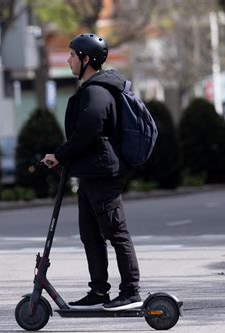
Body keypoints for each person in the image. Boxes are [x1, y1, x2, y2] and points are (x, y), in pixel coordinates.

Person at [41, 33, 141, 311]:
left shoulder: (97, 92)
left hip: (103, 172)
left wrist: (59, 154)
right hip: (90, 172)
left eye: (73, 55)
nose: (68, 59)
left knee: (115, 231)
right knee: (90, 233)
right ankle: (99, 291)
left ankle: (131, 291)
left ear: (86, 59)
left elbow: (88, 131)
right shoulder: (91, 89)